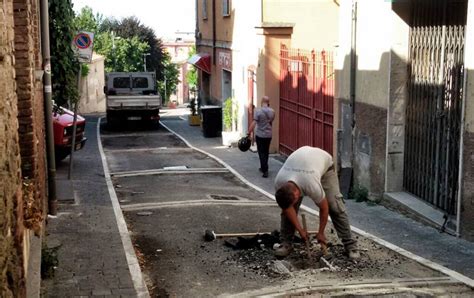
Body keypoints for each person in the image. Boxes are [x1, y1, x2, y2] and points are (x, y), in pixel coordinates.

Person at [273, 146, 359, 259]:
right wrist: (301, 231)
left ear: (296, 194)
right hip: (302, 162)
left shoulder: (310, 184)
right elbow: (287, 209)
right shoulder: (280, 183)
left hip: (325, 167)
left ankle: (350, 245)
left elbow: (324, 208)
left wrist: (321, 232)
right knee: (286, 213)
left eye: (294, 200)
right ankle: (286, 243)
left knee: (335, 206)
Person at [247, 96, 275, 178]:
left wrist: (249, 132)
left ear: (262, 101)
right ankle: (264, 167)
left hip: (260, 135)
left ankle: (265, 170)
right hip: (268, 135)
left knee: (261, 152)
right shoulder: (272, 111)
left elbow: (254, 123)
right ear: (268, 102)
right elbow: (271, 122)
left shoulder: (258, 111)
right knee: (266, 152)